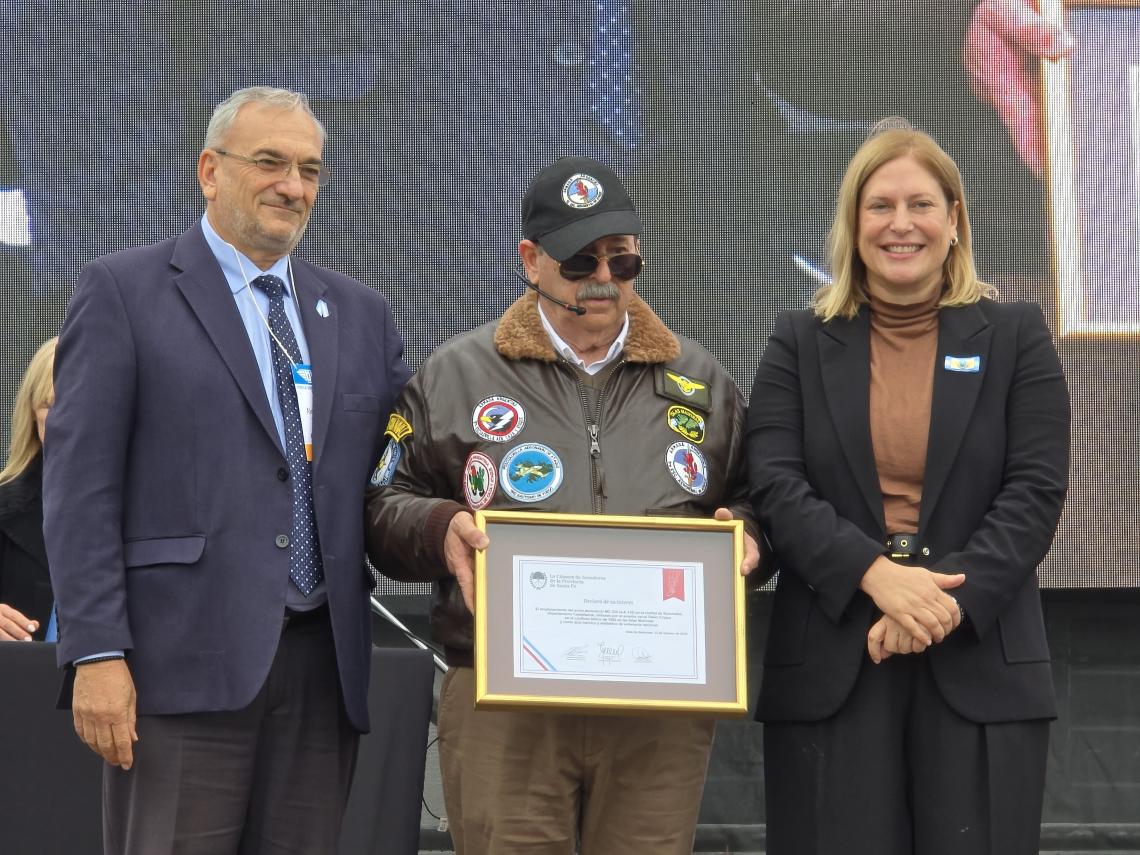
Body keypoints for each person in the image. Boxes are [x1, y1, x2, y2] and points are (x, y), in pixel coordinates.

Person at [42, 86, 410, 853]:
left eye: (310, 169)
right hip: (176, 671)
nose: (293, 186)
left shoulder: (361, 314)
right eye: (270, 162)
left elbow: (398, 471)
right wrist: (96, 650)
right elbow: (80, 490)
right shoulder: (123, 290)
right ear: (210, 170)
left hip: (321, 674)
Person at [364, 155, 762, 854]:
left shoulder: (703, 379)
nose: (604, 277)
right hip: (503, 701)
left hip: (660, 704)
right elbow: (380, 502)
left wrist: (751, 537)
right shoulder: (456, 373)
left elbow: (757, 499)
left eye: (623, 259)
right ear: (531, 260)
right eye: (580, 260)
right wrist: (440, 526)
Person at [745, 122, 1070, 854]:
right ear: (853, 223)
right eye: (880, 205)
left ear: (954, 220)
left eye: (920, 204)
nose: (901, 224)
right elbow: (776, 484)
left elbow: (1034, 493)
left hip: (981, 663)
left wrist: (935, 605)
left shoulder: (1017, 335)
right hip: (835, 663)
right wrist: (875, 575)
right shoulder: (798, 339)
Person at [0, 336, 56, 642]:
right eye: (50, 404)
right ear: (32, 413)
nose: (63, 419)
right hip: (20, 671)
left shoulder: (155, 511)